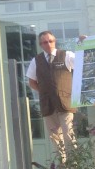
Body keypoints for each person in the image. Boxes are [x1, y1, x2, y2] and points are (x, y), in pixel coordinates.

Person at [26, 30, 84, 162]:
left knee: (68, 133)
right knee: (55, 137)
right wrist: (44, 91)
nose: (48, 44)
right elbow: (31, 82)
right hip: (48, 104)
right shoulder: (36, 60)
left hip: (65, 102)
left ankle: (75, 165)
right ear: (41, 44)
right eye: (45, 42)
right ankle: (63, 168)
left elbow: (81, 62)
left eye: (50, 41)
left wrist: (81, 45)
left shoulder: (66, 55)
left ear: (55, 41)